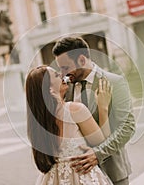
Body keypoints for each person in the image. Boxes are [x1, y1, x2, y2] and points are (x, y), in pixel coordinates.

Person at [52, 36, 136, 185]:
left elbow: (127, 127)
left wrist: (98, 154)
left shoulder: (115, 82)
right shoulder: (67, 86)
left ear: (82, 60)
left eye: (65, 67)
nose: (63, 73)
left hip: (113, 171)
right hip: (81, 176)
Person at [26, 65, 113, 184]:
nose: (63, 76)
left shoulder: (37, 123)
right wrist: (103, 108)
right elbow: (102, 142)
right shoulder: (76, 110)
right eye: (57, 75)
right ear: (50, 90)